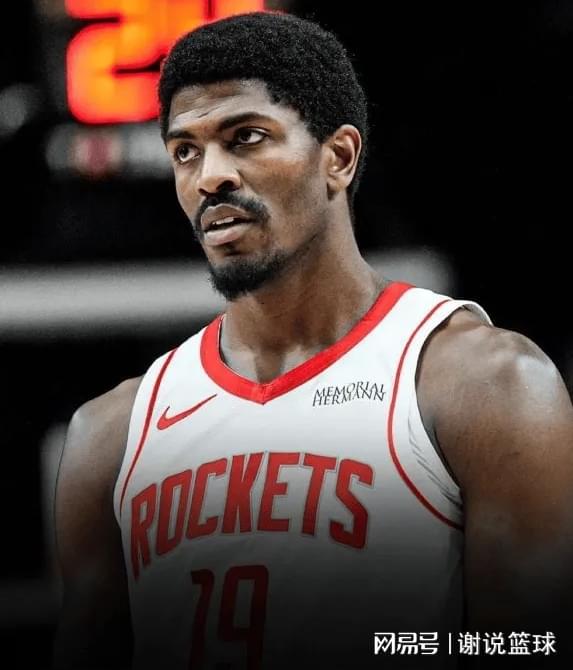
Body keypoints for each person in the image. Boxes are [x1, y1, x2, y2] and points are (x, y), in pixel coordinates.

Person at [53, 11, 573, 670]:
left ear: (339, 157)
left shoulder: (486, 384)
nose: (210, 175)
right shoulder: (110, 435)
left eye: (245, 137)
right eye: (186, 151)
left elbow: (531, 644)